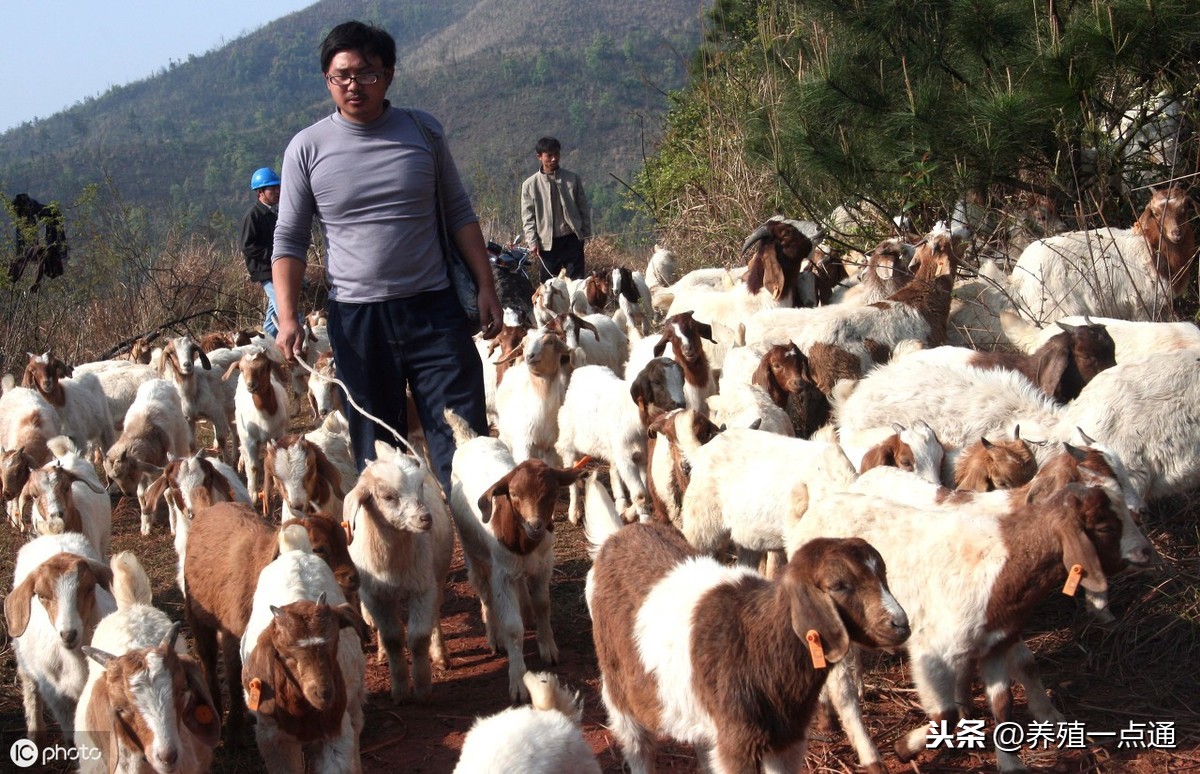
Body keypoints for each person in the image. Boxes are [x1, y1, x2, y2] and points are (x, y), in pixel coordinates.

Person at [271, 20, 502, 495]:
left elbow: (459, 212)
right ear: (327, 81)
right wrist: (288, 315)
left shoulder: (422, 131)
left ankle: (484, 560)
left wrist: (485, 285)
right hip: (358, 321)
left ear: (389, 75)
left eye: (367, 73)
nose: (354, 85)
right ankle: (392, 566)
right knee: (378, 451)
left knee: (463, 439)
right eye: (342, 76)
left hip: (434, 311)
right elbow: (289, 238)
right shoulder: (306, 149)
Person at [520, 136, 591, 281]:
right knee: (549, 285)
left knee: (576, 283)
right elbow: (528, 217)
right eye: (549, 155)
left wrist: (586, 233)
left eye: (556, 154)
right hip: (547, 243)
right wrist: (532, 241)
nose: (554, 159)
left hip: (572, 239)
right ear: (539, 157)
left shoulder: (572, 179)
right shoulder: (530, 185)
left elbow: (583, 207)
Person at [240, 167, 282, 336]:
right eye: (272, 189)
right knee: (284, 308)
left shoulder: (273, 214)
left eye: (277, 187)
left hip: (276, 268)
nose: (277, 192)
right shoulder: (253, 216)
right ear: (260, 192)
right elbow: (247, 246)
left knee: (272, 315)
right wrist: (271, 256)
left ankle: (265, 343)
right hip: (265, 271)